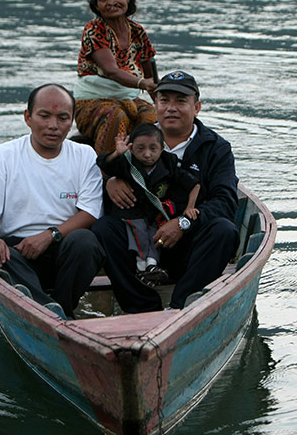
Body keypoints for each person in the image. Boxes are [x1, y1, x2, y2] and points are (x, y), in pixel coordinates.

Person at [91, 71, 240, 312]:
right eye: (164, 100)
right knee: (103, 229)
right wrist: (110, 181)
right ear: (155, 104)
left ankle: (181, 306)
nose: (171, 108)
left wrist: (182, 224)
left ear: (197, 107)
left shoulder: (215, 148)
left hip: (188, 246)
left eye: (181, 101)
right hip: (141, 241)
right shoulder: (137, 139)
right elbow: (106, 169)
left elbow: (226, 202)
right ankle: (141, 307)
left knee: (224, 231)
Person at [0, 84, 105, 319]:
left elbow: (90, 212)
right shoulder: (2, 156)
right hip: (16, 253)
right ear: (28, 118)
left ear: (71, 121)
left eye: (62, 118)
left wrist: (50, 235)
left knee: (86, 241)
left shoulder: (84, 155)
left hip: (62, 247)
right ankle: (54, 314)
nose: (53, 125)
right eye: (44, 116)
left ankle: (58, 307)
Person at [96, 123, 201, 287]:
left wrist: (190, 207)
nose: (147, 154)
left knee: (154, 236)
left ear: (162, 148)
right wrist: (117, 153)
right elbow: (105, 164)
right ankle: (142, 268)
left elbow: (194, 185)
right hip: (129, 216)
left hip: (155, 216)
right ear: (131, 149)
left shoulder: (169, 163)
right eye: (140, 149)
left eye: (153, 148)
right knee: (138, 234)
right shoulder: (126, 162)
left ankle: (150, 268)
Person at [74, 0, 159, 155]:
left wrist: (161, 104)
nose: (111, 2)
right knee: (115, 116)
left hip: (127, 98)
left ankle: (146, 169)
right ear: (97, 5)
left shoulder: (137, 31)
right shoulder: (94, 29)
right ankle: (108, 170)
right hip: (92, 101)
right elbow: (111, 71)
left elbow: (150, 76)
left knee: (152, 118)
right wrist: (142, 83)